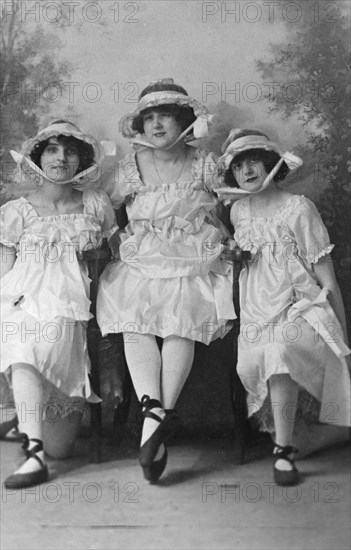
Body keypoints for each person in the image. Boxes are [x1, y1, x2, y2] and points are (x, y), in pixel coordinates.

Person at [97, 79, 236, 483]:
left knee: (181, 319)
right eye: (150, 118)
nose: (158, 126)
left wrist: (232, 241)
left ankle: (156, 418)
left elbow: (236, 206)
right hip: (142, 258)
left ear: (185, 122)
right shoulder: (128, 168)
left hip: (195, 257)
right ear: (141, 126)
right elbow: (105, 213)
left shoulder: (206, 164)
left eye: (168, 117)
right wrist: (116, 239)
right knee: (132, 318)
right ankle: (156, 415)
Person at [215, 128, 351, 485]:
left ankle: (283, 453)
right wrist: (235, 256)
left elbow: (328, 279)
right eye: (239, 165)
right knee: (260, 356)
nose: (247, 170)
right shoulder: (237, 212)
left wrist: (343, 340)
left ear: (272, 165)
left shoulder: (299, 209)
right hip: (256, 312)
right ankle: (300, 439)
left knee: (279, 349)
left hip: (301, 308)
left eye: (254, 161)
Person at [0, 120, 118, 488]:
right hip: (20, 298)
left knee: (62, 449)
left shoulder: (95, 204)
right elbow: (4, 269)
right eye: (52, 149)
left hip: (70, 299)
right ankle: (33, 454)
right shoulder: (15, 210)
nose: (61, 157)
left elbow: (116, 258)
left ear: (80, 160)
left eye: (69, 151)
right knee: (21, 340)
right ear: (38, 158)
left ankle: (27, 424)